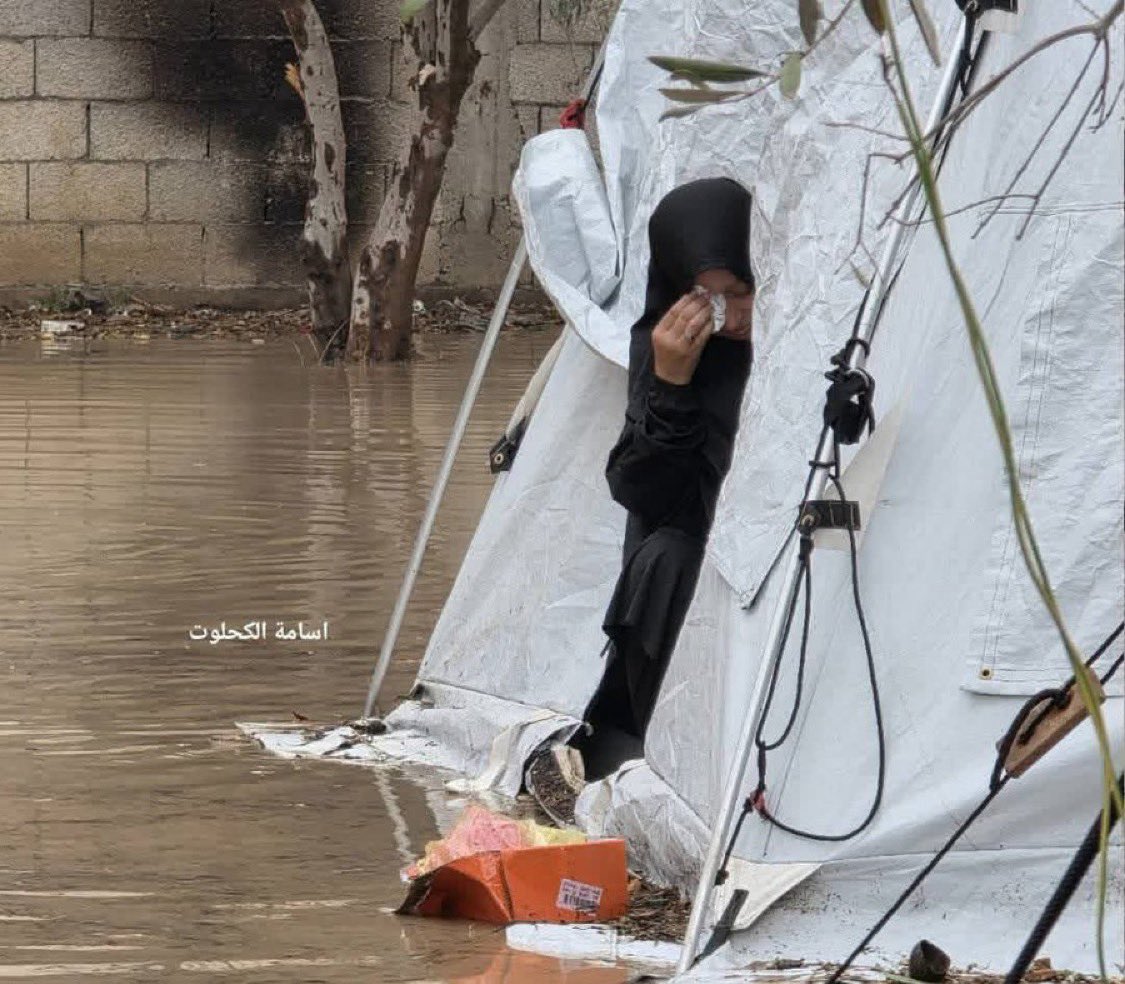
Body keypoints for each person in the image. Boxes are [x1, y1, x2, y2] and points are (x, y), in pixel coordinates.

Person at [526, 177, 756, 823]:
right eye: (703, 298)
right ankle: (659, 741)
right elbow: (640, 491)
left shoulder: (797, 340)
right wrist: (671, 383)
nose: (727, 317)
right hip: (699, 556)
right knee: (662, 558)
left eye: (739, 293)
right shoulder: (671, 345)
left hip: (779, 552)